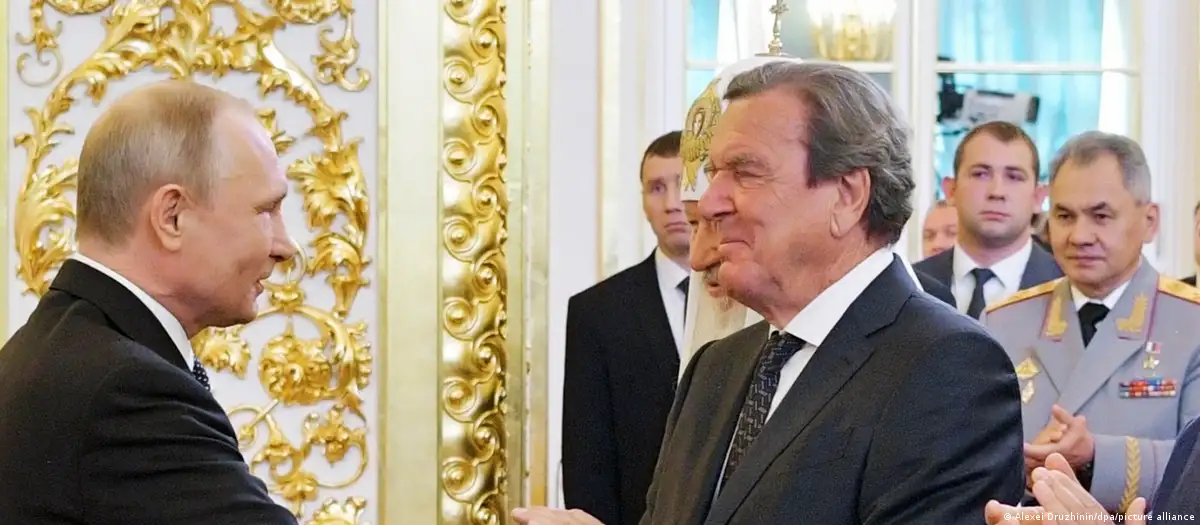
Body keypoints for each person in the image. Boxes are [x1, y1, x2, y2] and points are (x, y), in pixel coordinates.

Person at [516, 56, 1024, 525]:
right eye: (714, 174)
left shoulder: (948, 367)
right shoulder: (717, 366)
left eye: (745, 172)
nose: (709, 203)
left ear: (848, 196)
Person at [0, 81, 298, 523]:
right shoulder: (127, 391)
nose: (285, 246)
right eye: (266, 211)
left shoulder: (53, 350)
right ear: (172, 217)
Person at [981, 131, 1200, 513]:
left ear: (1149, 221)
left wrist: (1097, 456)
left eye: (1101, 216)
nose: (1080, 236)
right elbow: (970, 454)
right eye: (1064, 216)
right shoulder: (1003, 321)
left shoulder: (1191, 321)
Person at [561, 131, 692, 525]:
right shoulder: (597, 312)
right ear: (643, 202)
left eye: (683, 184)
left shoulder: (753, 298)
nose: (671, 203)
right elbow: (587, 457)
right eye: (656, 188)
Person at [916, 121, 1062, 319]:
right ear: (951, 190)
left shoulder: (1069, 288)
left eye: (1014, 177)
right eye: (981, 174)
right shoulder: (911, 285)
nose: (997, 192)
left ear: (1038, 197)